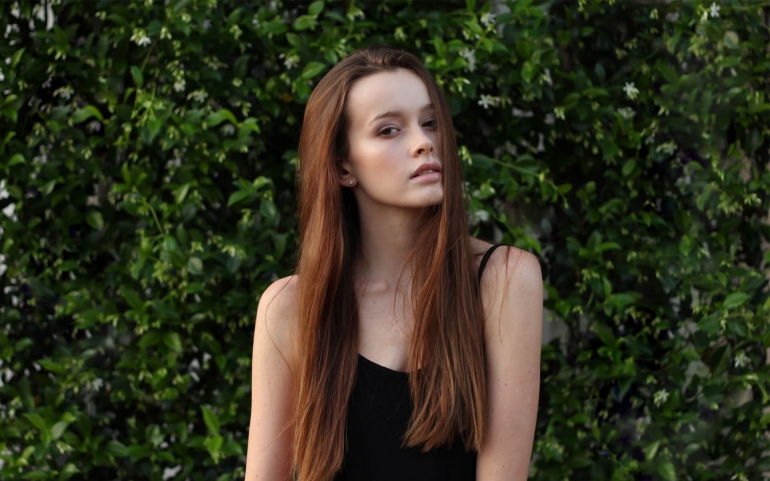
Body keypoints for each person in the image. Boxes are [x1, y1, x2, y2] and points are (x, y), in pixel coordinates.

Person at [244, 45, 543, 481]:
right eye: (389, 130)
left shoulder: (505, 281)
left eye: (430, 122)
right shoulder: (290, 307)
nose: (424, 143)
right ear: (343, 166)